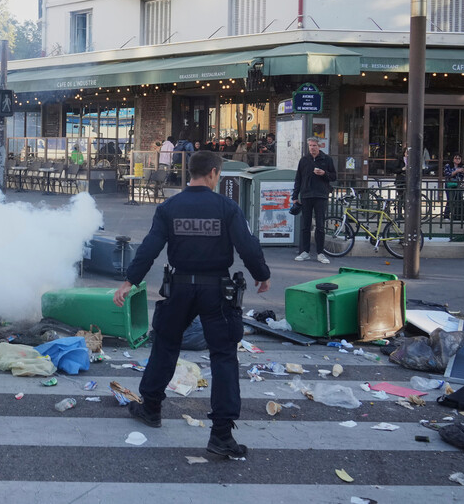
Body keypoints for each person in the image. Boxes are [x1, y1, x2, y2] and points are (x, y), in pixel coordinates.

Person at [113, 151, 271, 460]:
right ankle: (222, 435)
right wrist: (261, 276)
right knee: (224, 356)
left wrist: (129, 281)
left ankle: (152, 408)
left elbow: (150, 247)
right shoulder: (227, 207)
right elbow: (247, 246)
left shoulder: (170, 207)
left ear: (191, 172)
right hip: (217, 291)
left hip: (179, 288)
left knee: (165, 344)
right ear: (213, 173)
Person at [292, 137, 337, 264]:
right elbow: (298, 179)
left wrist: (324, 173)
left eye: (314, 145)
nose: (312, 148)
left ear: (319, 146)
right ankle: (305, 252)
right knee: (306, 225)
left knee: (320, 226)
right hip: (306, 196)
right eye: (310, 145)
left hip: (321, 196)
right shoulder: (304, 160)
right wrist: (295, 197)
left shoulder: (327, 159)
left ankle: (320, 253)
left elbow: (334, 176)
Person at [443, 153, 464, 221]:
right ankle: (446, 215)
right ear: (453, 159)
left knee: (458, 200)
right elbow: (447, 174)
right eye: (456, 158)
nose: (457, 160)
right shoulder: (448, 165)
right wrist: (456, 171)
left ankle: (456, 215)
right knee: (450, 199)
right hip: (450, 184)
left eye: (459, 158)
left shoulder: (463, 166)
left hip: (460, 185)